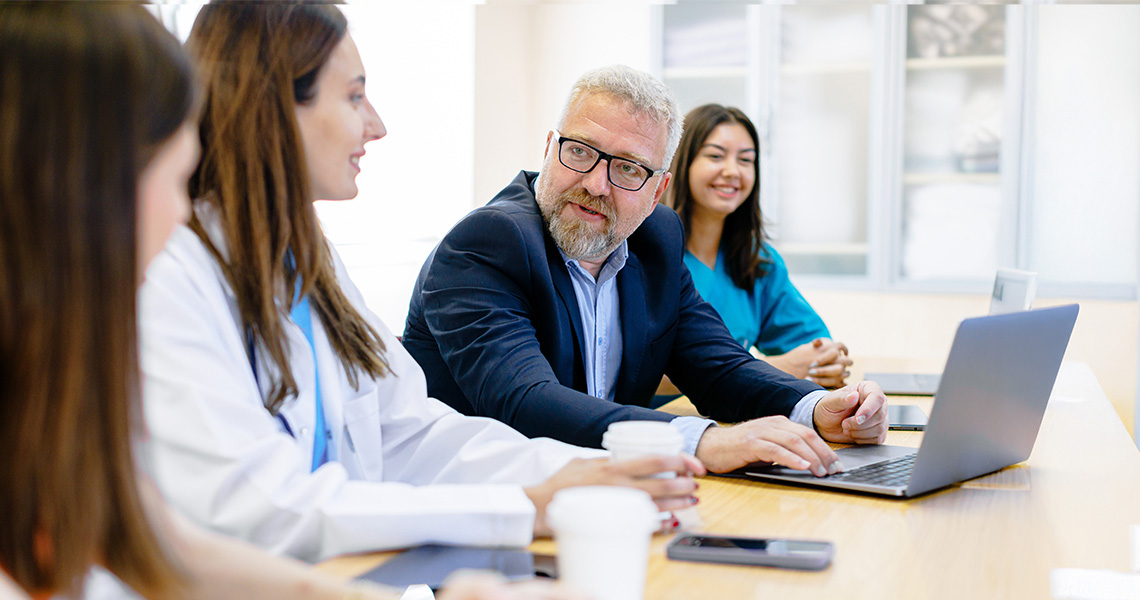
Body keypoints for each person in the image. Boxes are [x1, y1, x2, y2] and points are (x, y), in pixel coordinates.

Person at [0, 5, 538, 600]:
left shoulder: (62, 362)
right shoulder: (170, 281)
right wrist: (517, 505)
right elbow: (251, 508)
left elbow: (156, 545)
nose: (183, 214)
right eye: (171, 180)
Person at [137, 3, 702, 565]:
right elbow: (264, 508)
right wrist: (524, 506)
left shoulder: (310, 262)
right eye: (354, 96)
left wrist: (580, 474)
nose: (376, 125)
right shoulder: (171, 278)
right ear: (273, 109)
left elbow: (409, 430)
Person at [403, 65, 889, 476]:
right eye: (579, 151)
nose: (595, 183)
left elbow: (718, 367)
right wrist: (700, 441)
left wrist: (820, 408)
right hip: (491, 513)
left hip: (609, 494)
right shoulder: (487, 242)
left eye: (629, 168)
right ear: (550, 148)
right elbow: (526, 401)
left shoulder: (655, 240)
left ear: (657, 190)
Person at [663, 104, 852, 389]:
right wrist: (776, 368)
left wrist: (826, 362)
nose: (732, 171)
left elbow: (816, 347)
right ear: (682, 163)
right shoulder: (645, 254)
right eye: (715, 156)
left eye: (746, 160)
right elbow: (635, 372)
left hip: (734, 420)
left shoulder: (757, 261)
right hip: (656, 424)